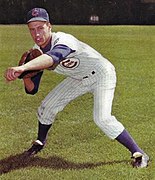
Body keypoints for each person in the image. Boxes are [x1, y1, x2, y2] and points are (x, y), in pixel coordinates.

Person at [4, 8, 149, 168]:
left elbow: (53, 57)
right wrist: (25, 76)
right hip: (79, 77)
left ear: (49, 26)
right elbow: (32, 90)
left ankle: (139, 153)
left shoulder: (64, 40)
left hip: (102, 73)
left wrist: (24, 68)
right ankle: (40, 142)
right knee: (47, 107)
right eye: (32, 29)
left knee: (102, 118)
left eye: (40, 28)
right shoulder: (36, 53)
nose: (37, 34)